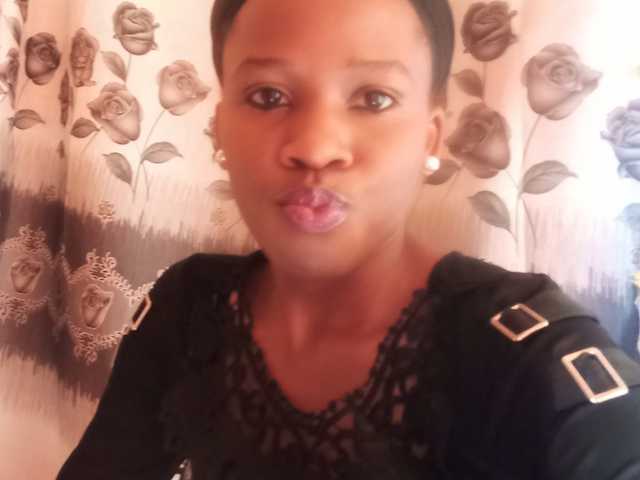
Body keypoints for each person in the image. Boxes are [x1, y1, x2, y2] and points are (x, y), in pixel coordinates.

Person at [57, 0, 640, 478]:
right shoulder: (190, 309)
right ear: (221, 125)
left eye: (374, 99)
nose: (315, 147)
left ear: (430, 136)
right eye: (268, 96)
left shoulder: (529, 354)